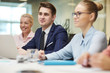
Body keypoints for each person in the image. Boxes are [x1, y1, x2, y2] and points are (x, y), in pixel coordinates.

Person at [38, 0, 107, 61]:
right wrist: (45, 56)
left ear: (91, 16)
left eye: (79, 13)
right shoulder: (77, 37)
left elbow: (87, 58)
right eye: (74, 14)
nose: (74, 17)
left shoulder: (99, 36)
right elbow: (61, 54)